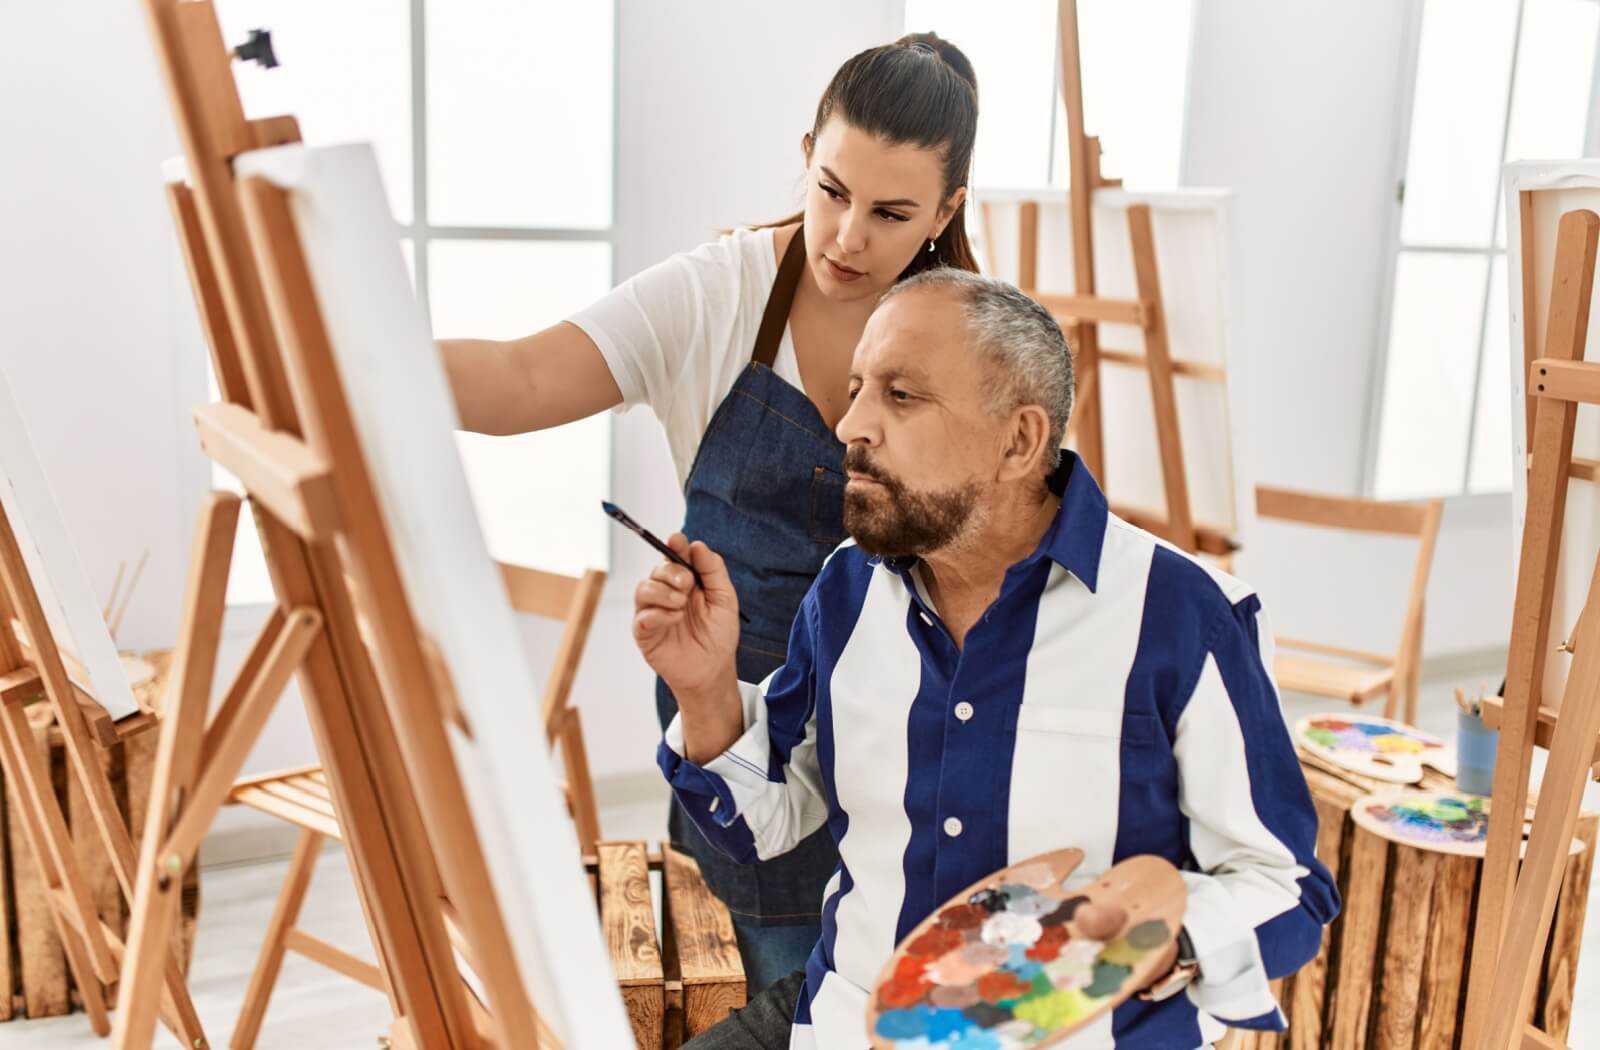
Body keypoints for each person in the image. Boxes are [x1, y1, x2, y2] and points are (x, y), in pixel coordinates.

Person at [632, 269, 1339, 1049]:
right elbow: (764, 824)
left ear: (1019, 442)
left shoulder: (1188, 616)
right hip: (846, 1015)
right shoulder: (845, 588)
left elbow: (1286, 889)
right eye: (859, 386)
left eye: (901, 395)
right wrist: (702, 689)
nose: (851, 425)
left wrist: (1134, 947)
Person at [438, 33, 981, 992]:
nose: (847, 236)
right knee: (761, 984)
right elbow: (521, 376)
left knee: (893, 999)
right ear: (806, 152)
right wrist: (340, 354)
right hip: (730, 723)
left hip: (908, 736)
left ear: (948, 209)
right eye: (830, 190)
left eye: (891, 212)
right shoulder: (720, 294)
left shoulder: (976, 335)